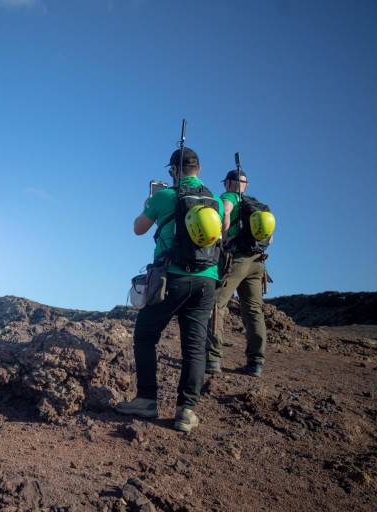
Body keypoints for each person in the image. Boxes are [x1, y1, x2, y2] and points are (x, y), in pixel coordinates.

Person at [116, 147, 223, 432]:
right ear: (198, 169)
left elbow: (138, 228)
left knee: (145, 336)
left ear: (174, 171)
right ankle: (186, 412)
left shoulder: (163, 196)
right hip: (206, 281)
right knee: (194, 347)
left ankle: (147, 400)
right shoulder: (215, 202)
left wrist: (149, 202)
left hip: (170, 280)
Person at [206, 170, 270, 377]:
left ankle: (213, 359)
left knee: (217, 305)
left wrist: (223, 236)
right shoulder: (257, 206)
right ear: (246, 185)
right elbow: (271, 238)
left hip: (236, 260)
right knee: (253, 310)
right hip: (258, 262)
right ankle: (256, 362)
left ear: (228, 184)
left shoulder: (228, 197)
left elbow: (225, 210)